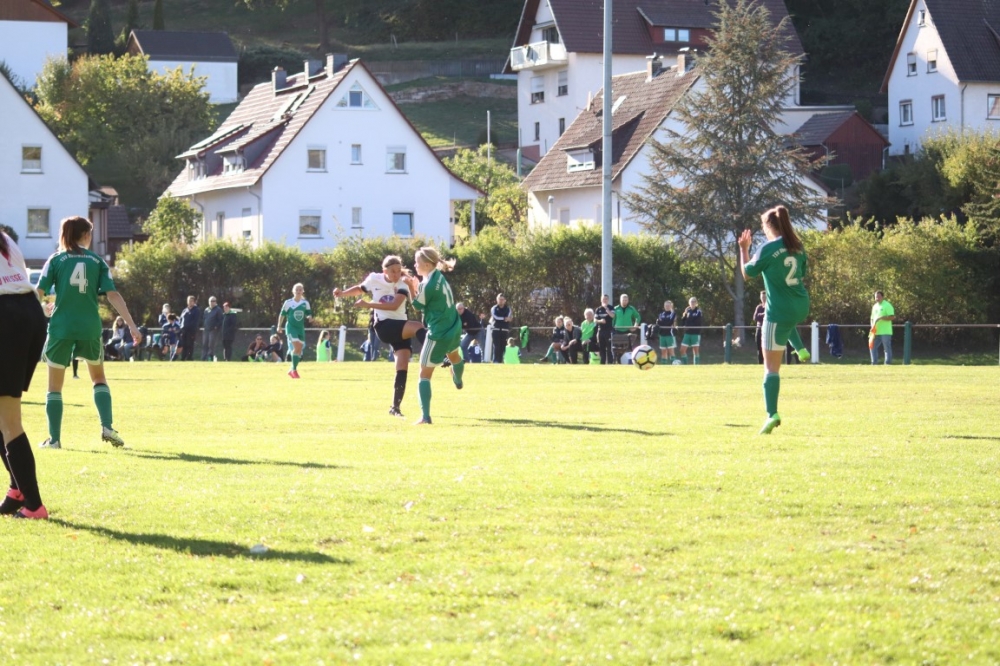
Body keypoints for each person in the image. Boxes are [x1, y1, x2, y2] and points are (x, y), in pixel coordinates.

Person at [37, 215, 142, 450]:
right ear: (85, 235)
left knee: (54, 387)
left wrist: (42, 308)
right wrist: (132, 326)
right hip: (89, 327)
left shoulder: (55, 260)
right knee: (98, 378)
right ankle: (107, 426)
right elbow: (113, 295)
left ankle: (54, 440)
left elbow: (39, 291)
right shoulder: (97, 261)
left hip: (61, 326)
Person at [738, 204, 810, 435]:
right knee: (787, 322)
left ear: (769, 226)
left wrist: (744, 249)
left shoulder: (768, 248)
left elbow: (747, 273)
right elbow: (802, 272)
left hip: (778, 312)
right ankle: (801, 350)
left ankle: (772, 414)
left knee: (770, 369)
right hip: (800, 305)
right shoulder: (797, 246)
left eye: (763, 226)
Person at [334, 256, 428, 417]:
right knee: (418, 327)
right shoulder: (374, 278)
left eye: (399, 270)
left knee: (402, 367)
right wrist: (342, 294)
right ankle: (436, 351)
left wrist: (367, 304)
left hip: (400, 327)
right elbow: (360, 288)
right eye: (392, 271)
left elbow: (394, 305)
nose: (396, 274)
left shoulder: (402, 283)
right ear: (384, 271)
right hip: (384, 327)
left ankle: (395, 408)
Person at [0, 228, 49, 518]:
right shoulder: (5, 238)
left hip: (7, 317)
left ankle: (34, 505)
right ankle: (18, 489)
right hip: (29, 313)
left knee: (9, 420)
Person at [404, 246, 465, 425]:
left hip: (438, 333)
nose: (415, 265)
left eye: (417, 262)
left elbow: (416, 305)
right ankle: (458, 378)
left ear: (428, 264)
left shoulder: (427, 285)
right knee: (454, 356)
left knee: (424, 374)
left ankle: (425, 417)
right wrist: (417, 285)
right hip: (454, 326)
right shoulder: (438, 276)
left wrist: (410, 287)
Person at [277, 283, 313, 378]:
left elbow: (308, 313)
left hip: (300, 328)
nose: (298, 291)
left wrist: (309, 317)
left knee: (299, 349)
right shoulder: (288, 302)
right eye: (296, 290)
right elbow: (282, 314)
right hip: (291, 328)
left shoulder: (305, 303)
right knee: (296, 346)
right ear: (293, 291)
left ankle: (292, 369)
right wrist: (279, 326)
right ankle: (294, 370)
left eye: (300, 289)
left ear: (303, 291)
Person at [870, 290, 895, 365]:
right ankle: (874, 362)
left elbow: (892, 317)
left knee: (886, 348)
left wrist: (881, 318)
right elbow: (872, 318)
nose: (877, 298)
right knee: (872, 346)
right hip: (875, 331)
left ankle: (888, 363)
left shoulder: (887, 305)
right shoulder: (874, 306)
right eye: (876, 296)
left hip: (885, 331)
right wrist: (872, 326)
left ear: (882, 297)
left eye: (879, 296)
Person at [679, 297, 704, 365]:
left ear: (696, 303)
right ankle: (685, 364)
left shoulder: (699, 311)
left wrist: (689, 325)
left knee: (695, 350)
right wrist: (685, 313)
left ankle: (696, 366)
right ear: (689, 303)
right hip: (687, 333)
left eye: (694, 301)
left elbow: (698, 321)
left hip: (695, 333)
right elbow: (683, 321)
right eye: (691, 301)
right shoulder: (687, 311)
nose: (692, 303)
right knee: (682, 350)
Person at [489, 294, 512, 363]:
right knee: (496, 346)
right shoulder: (494, 308)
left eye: (502, 299)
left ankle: (500, 361)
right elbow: (496, 317)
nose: (501, 301)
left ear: (505, 301)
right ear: (497, 300)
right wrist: (504, 318)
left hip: (504, 330)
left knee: (503, 346)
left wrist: (506, 319)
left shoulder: (508, 309)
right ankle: (495, 361)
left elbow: (508, 317)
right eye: (499, 299)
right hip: (496, 330)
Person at [178, 295, 200, 361]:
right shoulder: (184, 310)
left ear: (194, 302)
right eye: (189, 301)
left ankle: (189, 357)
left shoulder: (196, 310)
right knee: (184, 345)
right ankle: (183, 357)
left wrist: (193, 331)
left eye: (191, 301)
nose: (190, 302)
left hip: (191, 331)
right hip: (183, 330)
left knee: (190, 344)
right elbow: (181, 319)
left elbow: (196, 321)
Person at [201, 296, 223, 361]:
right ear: (208, 302)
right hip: (206, 330)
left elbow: (221, 320)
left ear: (216, 302)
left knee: (211, 344)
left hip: (213, 330)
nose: (212, 302)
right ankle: (203, 358)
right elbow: (204, 318)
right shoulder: (206, 310)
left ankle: (210, 358)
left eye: (214, 301)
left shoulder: (218, 309)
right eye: (211, 301)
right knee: (205, 344)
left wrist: (216, 327)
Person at [594, 295, 614, 364]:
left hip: (608, 331)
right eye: (603, 299)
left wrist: (607, 310)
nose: (604, 300)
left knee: (609, 348)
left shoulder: (611, 307)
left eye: (606, 299)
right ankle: (602, 363)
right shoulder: (598, 309)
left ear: (608, 300)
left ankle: (610, 363)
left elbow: (613, 316)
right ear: (601, 300)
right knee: (601, 348)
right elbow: (595, 320)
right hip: (601, 331)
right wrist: (600, 321)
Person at [753, 291, 766, 365]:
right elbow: (755, 317)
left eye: (764, 297)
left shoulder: (770, 307)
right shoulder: (759, 307)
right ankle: (760, 363)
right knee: (759, 348)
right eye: (762, 297)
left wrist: (760, 315)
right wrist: (763, 314)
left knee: (766, 348)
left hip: (767, 330)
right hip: (759, 329)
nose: (763, 298)